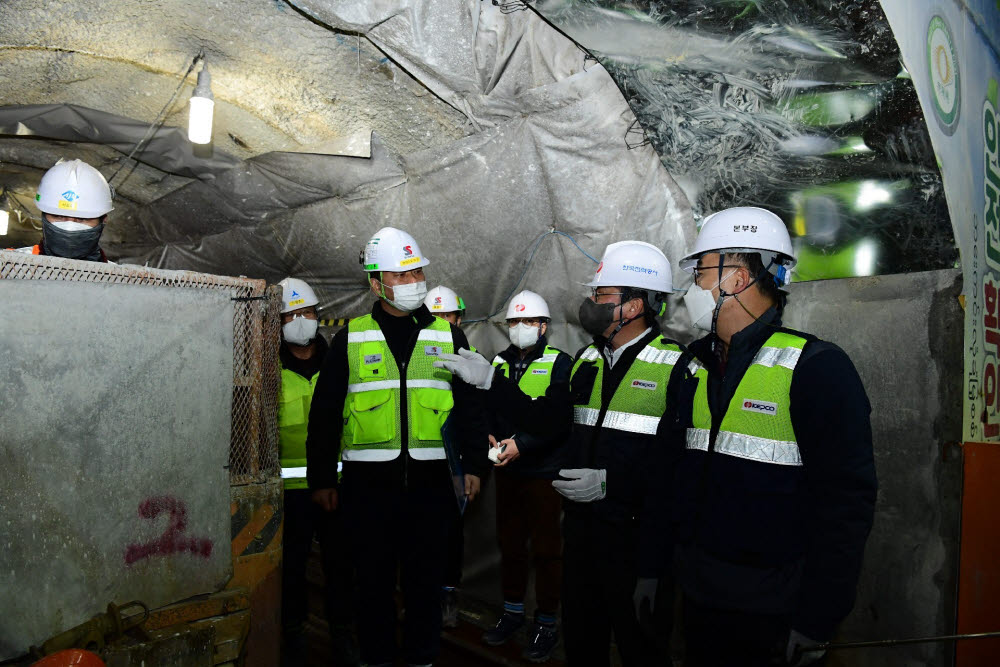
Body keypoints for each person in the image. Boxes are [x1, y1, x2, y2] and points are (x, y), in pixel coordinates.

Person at [435, 241, 692, 666]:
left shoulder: (677, 367)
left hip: (635, 544)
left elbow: (680, 468)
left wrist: (615, 484)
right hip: (583, 537)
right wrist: (490, 382)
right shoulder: (588, 360)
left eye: (601, 296)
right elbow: (548, 420)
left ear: (633, 306)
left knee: (639, 648)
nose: (590, 304)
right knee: (584, 646)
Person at [673, 206, 877, 667]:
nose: (693, 288)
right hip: (699, 596)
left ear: (738, 278)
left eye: (702, 272)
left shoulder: (818, 368)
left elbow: (846, 506)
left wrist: (817, 619)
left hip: (772, 612)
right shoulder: (695, 367)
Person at [305, 227, 488, 667]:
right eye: (401, 275)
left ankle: (422, 659)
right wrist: (322, 480)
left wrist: (475, 468)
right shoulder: (352, 337)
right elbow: (325, 414)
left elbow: (469, 410)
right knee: (372, 584)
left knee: (426, 585)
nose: (414, 282)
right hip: (368, 491)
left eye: (417, 271)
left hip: (433, 488)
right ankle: (377, 659)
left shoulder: (449, 337)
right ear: (376, 283)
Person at [480, 290, 571, 663]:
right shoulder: (497, 362)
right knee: (511, 544)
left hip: (544, 472)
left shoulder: (560, 362)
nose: (519, 328)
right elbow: (483, 404)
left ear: (543, 326)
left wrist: (524, 444)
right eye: (514, 322)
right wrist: (486, 434)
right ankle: (513, 614)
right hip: (508, 472)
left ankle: (546, 623)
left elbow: (559, 418)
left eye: (528, 322)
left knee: (548, 551)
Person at [276, 277, 358, 667]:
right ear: (277, 323)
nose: (300, 321)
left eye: (307, 312)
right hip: (287, 493)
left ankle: (343, 634)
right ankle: (293, 634)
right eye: (291, 314)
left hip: (338, 486)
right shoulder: (267, 371)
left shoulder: (338, 365)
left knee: (341, 566)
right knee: (289, 568)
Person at [422, 285, 472, 629]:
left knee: (451, 530)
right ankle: (421, 598)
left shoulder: (469, 355)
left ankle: (447, 597)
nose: (444, 323)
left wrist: (472, 466)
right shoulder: (411, 355)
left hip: (453, 459)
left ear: (459, 318)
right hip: (419, 459)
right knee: (418, 533)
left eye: (449, 316)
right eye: (436, 317)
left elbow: (472, 412)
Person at [12, 159, 113, 261]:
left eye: (82, 219)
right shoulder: (11, 264)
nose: (69, 227)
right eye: (59, 216)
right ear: (43, 215)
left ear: (103, 220)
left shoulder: (119, 275)